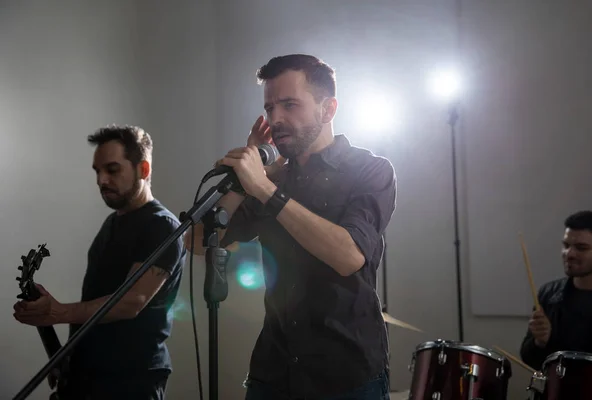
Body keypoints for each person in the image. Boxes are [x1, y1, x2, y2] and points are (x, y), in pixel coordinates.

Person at [185, 54, 397, 400]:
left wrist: (265, 190)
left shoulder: (370, 171)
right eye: (269, 109)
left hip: (346, 377)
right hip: (274, 371)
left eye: (289, 105)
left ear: (328, 110)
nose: (276, 118)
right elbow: (196, 242)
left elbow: (348, 255)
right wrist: (242, 181)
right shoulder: (267, 180)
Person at [13, 125, 186, 400]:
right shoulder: (113, 222)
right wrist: (64, 354)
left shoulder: (162, 227)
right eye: (97, 171)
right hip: (86, 375)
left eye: (112, 169)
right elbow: (96, 297)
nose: (101, 180)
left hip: (131, 383)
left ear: (143, 169)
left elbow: (132, 301)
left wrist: (59, 312)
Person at [520, 210, 592, 370]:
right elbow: (529, 358)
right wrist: (540, 343)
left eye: (581, 248)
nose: (569, 254)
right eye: (566, 245)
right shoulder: (548, 294)